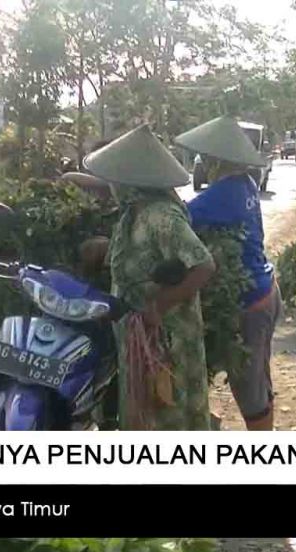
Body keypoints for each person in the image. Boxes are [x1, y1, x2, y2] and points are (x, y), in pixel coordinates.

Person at [81, 124, 216, 430]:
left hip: (167, 340)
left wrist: (158, 307)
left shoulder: (161, 216)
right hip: (137, 336)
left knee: (168, 414)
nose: (111, 186)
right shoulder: (133, 213)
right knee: (143, 411)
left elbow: (204, 265)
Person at [175, 115, 281, 431]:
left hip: (250, 301)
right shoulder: (245, 182)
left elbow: (180, 217)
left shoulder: (224, 193)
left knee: (247, 386)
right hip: (265, 288)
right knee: (258, 378)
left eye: (207, 158)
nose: (204, 164)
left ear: (218, 160)